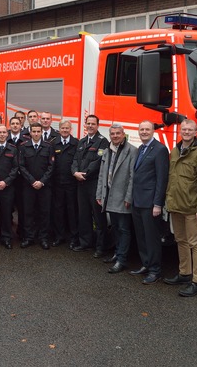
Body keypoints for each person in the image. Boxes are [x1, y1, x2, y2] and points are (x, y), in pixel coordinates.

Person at [163, 119, 197, 297]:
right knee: (180, 240)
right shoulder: (175, 151)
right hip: (176, 205)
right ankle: (184, 273)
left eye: (190, 130)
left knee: (195, 244)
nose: (186, 132)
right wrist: (168, 202)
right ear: (180, 131)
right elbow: (172, 178)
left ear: (195, 132)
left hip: (192, 208)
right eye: (184, 129)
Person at [130, 120, 169, 284]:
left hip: (150, 203)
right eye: (141, 129)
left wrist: (158, 204)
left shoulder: (160, 150)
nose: (144, 132)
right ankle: (145, 264)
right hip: (137, 200)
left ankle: (155, 270)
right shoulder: (141, 148)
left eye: (147, 129)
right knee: (141, 236)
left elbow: (162, 179)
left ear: (153, 131)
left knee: (152, 237)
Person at [96, 123, 135, 274]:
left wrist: (129, 197)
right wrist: (99, 194)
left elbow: (132, 177)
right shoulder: (108, 150)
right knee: (116, 228)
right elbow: (102, 174)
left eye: (118, 133)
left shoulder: (132, 151)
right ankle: (117, 254)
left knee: (124, 229)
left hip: (122, 198)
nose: (115, 136)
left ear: (123, 134)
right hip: (109, 197)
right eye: (113, 134)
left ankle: (122, 260)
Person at [71, 115, 109, 255]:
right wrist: (75, 172)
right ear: (85, 125)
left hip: (93, 183)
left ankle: (100, 247)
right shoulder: (81, 142)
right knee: (84, 214)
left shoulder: (102, 142)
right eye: (88, 123)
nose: (90, 126)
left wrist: (84, 174)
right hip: (81, 184)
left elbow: (98, 162)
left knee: (98, 217)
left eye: (93, 124)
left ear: (98, 126)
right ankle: (85, 242)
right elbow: (75, 159)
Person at [18, 122, 55, 249]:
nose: (36, 134)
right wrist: (32, 181)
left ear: (41, 132)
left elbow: (51, 167)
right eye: (34, 131)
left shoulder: (48, 146)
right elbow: (21, 166)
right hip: (28, 186)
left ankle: (43, 238)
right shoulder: (23, 146)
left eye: (38, 131)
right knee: (28, 212)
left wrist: (42, 181)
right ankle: (29, 237)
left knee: (44, 212)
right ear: (30, 133)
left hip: (44, 186)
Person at [50, 120, 78, 247]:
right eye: (63, 128)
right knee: (58, 210)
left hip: (71, 183)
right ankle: (59, 236)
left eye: (67, 128)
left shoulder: (76, 143)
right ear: (59, 129)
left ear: (70, 129)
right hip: (57, 183)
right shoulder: (53, 143)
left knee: (72, 211)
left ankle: (73, 238)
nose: (65, 130)